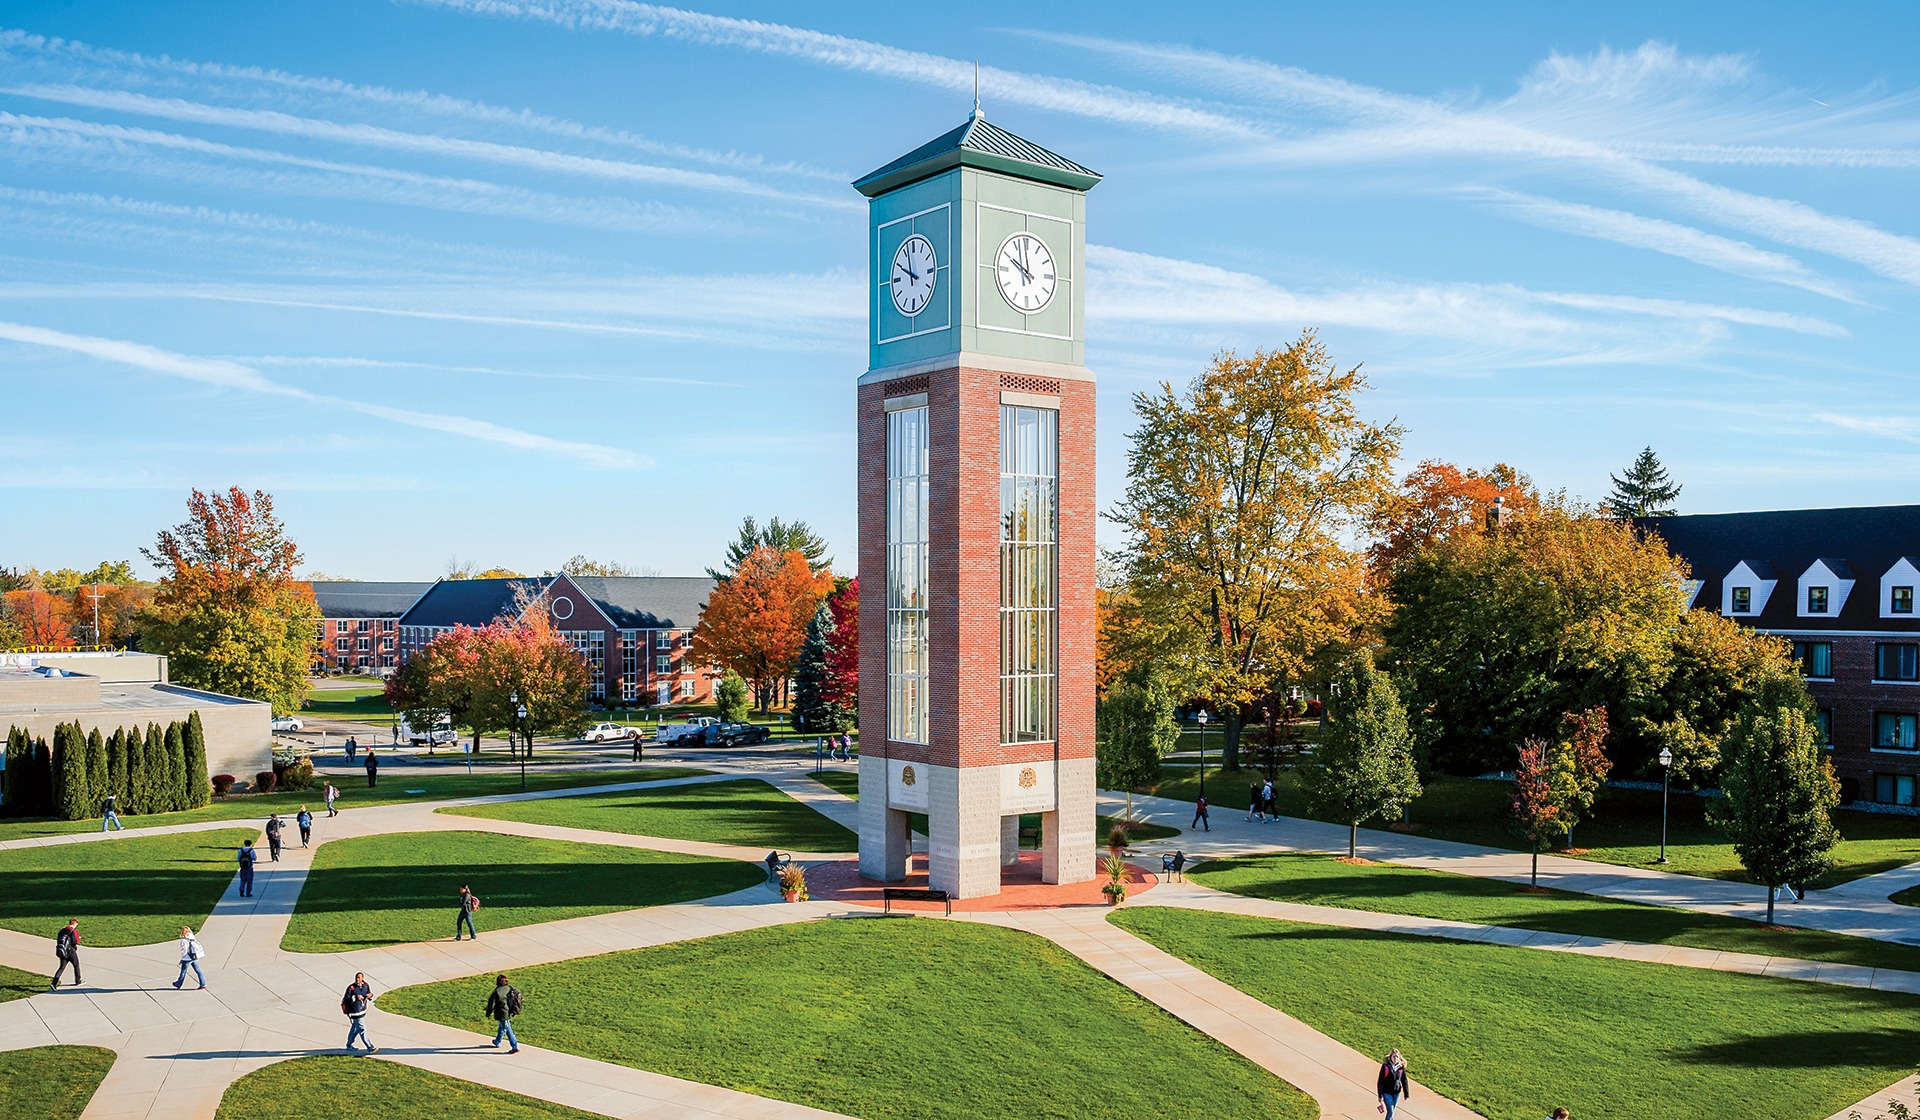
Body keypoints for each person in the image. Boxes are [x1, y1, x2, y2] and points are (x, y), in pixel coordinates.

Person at [485, 973, 523, 1054]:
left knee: (508, 1029)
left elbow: (491, 1004)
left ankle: (515, 1047)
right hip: (509, 1011)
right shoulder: (510, 988)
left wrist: (488, 1013)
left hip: (502, 1013)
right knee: (502, 1027)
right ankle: (497, 1041)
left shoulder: (497, 991)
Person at [342, 971, 377, 1054]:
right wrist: (355, 998)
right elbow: (346, 1000)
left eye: (359, 978)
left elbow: (369, 993)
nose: (357, 979)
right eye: (356, 978)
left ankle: (349, 1045)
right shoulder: (351, 988)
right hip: (355, 1012)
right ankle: (370, 1047)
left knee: (354, 1028)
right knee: (362, 1029)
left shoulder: (366, 986)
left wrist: (370, 995)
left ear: (362, 979)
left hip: (362, 1011)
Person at [1377, 1048, 1411, 1120]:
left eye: (1397, 1057)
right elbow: (1380, 1081)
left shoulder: (1401, 1068)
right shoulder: (1385, 1067)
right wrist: (1380, 1095)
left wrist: (1406, 1094)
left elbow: (1404, 1081)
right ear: (1390, 1057)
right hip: (1386, 1092)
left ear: (1399, 1058)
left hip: (1396, 1093)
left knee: (1392, 1112)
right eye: (1393, 1056)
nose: (1395, 1058)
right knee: (1391, 1111)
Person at [51, 920, 81, 990]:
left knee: (61, 967)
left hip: (63, 951)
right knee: (76, 965)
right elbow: (75, 942)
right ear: (75, 924)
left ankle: (54, 983)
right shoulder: (73, 931)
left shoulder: (62, 931)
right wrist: (78, 939)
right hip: (70, 951)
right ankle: (78, 980)